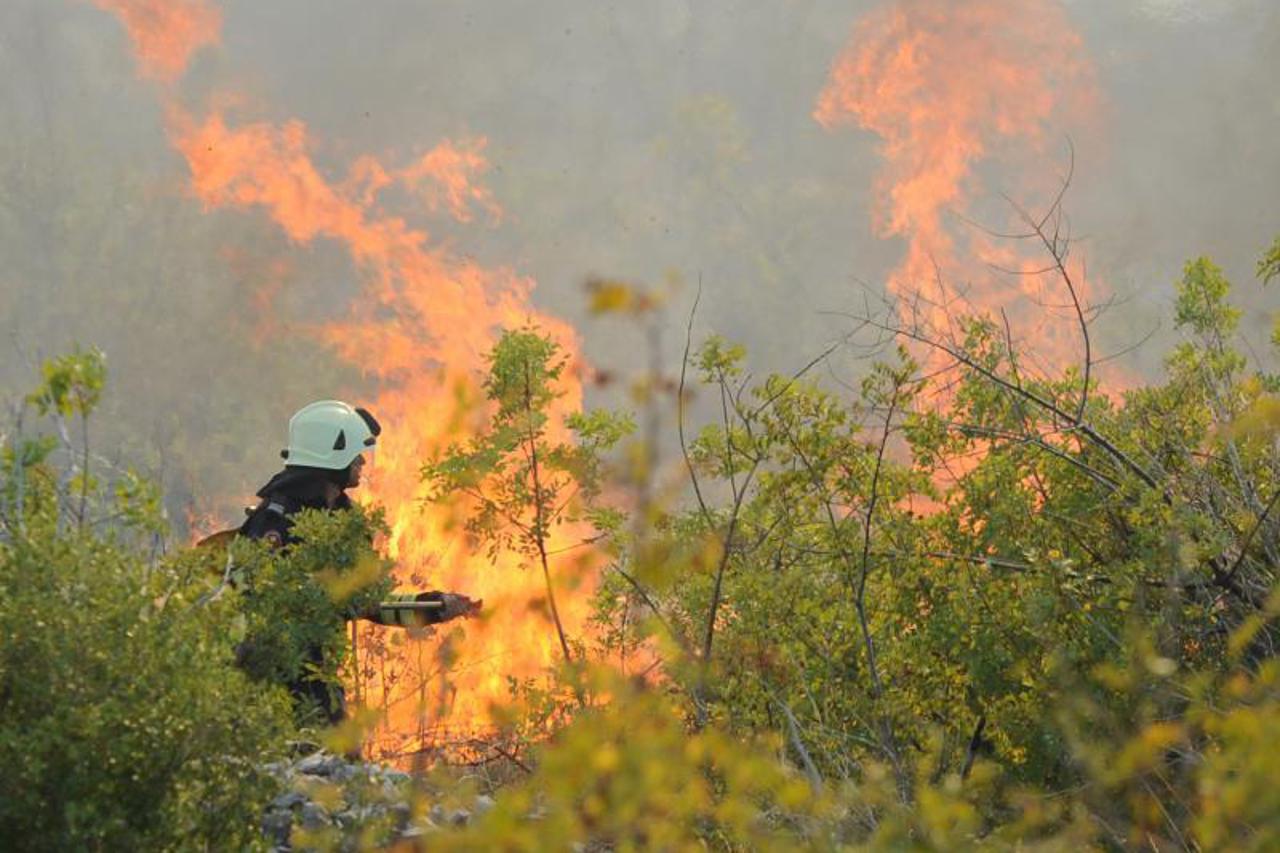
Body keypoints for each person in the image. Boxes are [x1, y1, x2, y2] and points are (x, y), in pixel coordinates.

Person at [237, 399, 480, 724]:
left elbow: (365, 602)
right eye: (356, 453)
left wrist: (435, 607)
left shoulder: (343, 518)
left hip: (319, 676)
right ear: (332, 455)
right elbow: (255, 598)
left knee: (338, 763)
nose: (363, 462)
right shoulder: (275, 521)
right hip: (272, 681)